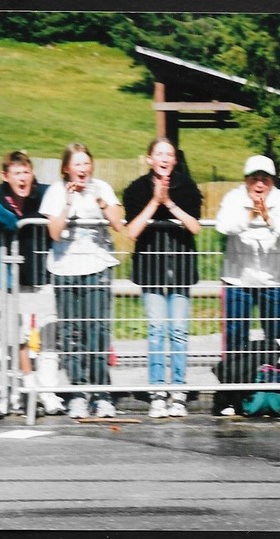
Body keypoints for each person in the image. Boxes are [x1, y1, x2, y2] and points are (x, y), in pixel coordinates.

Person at [39, 142, 122, 418]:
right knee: (72, 332)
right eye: (77, 164)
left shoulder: (102, 187)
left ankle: (102, 393)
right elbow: (54, 231)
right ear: (66, 168)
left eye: (86, 163)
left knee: (97, 331)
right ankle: (78, 392)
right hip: (66, 268)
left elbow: (118, 222)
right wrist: (68, 201)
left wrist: (100, 201)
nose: (83, 169)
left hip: (97, 266)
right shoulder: (55, 192)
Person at [214, 155, 280, 415]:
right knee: (235, 341)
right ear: (246, 180)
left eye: (264, 179)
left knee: (279, 341)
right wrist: (251, 213)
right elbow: (223, 225)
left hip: (273, 280)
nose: (259, 184)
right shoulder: (233, 198)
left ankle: (279, 394)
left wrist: (269, 220)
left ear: (272, 182)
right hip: (238, 280)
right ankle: (231, 397)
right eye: (254, 178)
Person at [123, 138, 203, 419]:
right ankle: (157, 391)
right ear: (149, 159)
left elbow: (194, 227)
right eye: (159, 154)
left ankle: (178, 390)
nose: (164, 158)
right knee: (157, 330)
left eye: (169, 154)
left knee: (178, 331)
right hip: (151, 271)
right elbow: (131, 231)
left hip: (180, 270)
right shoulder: (136, 189)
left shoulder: (188, 187)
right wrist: (154, 202)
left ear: (175, 160)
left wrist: (168, 202)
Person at [0, 150, 64, 416]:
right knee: (15, 339)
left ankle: (48, 392)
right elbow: (11, 222)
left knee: (47, 334)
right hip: (8, 280)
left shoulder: (44, 193)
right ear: (6, 176)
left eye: (26, 172)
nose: (23, 178)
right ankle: (20, 389)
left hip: (39, 274)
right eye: (17, 173)